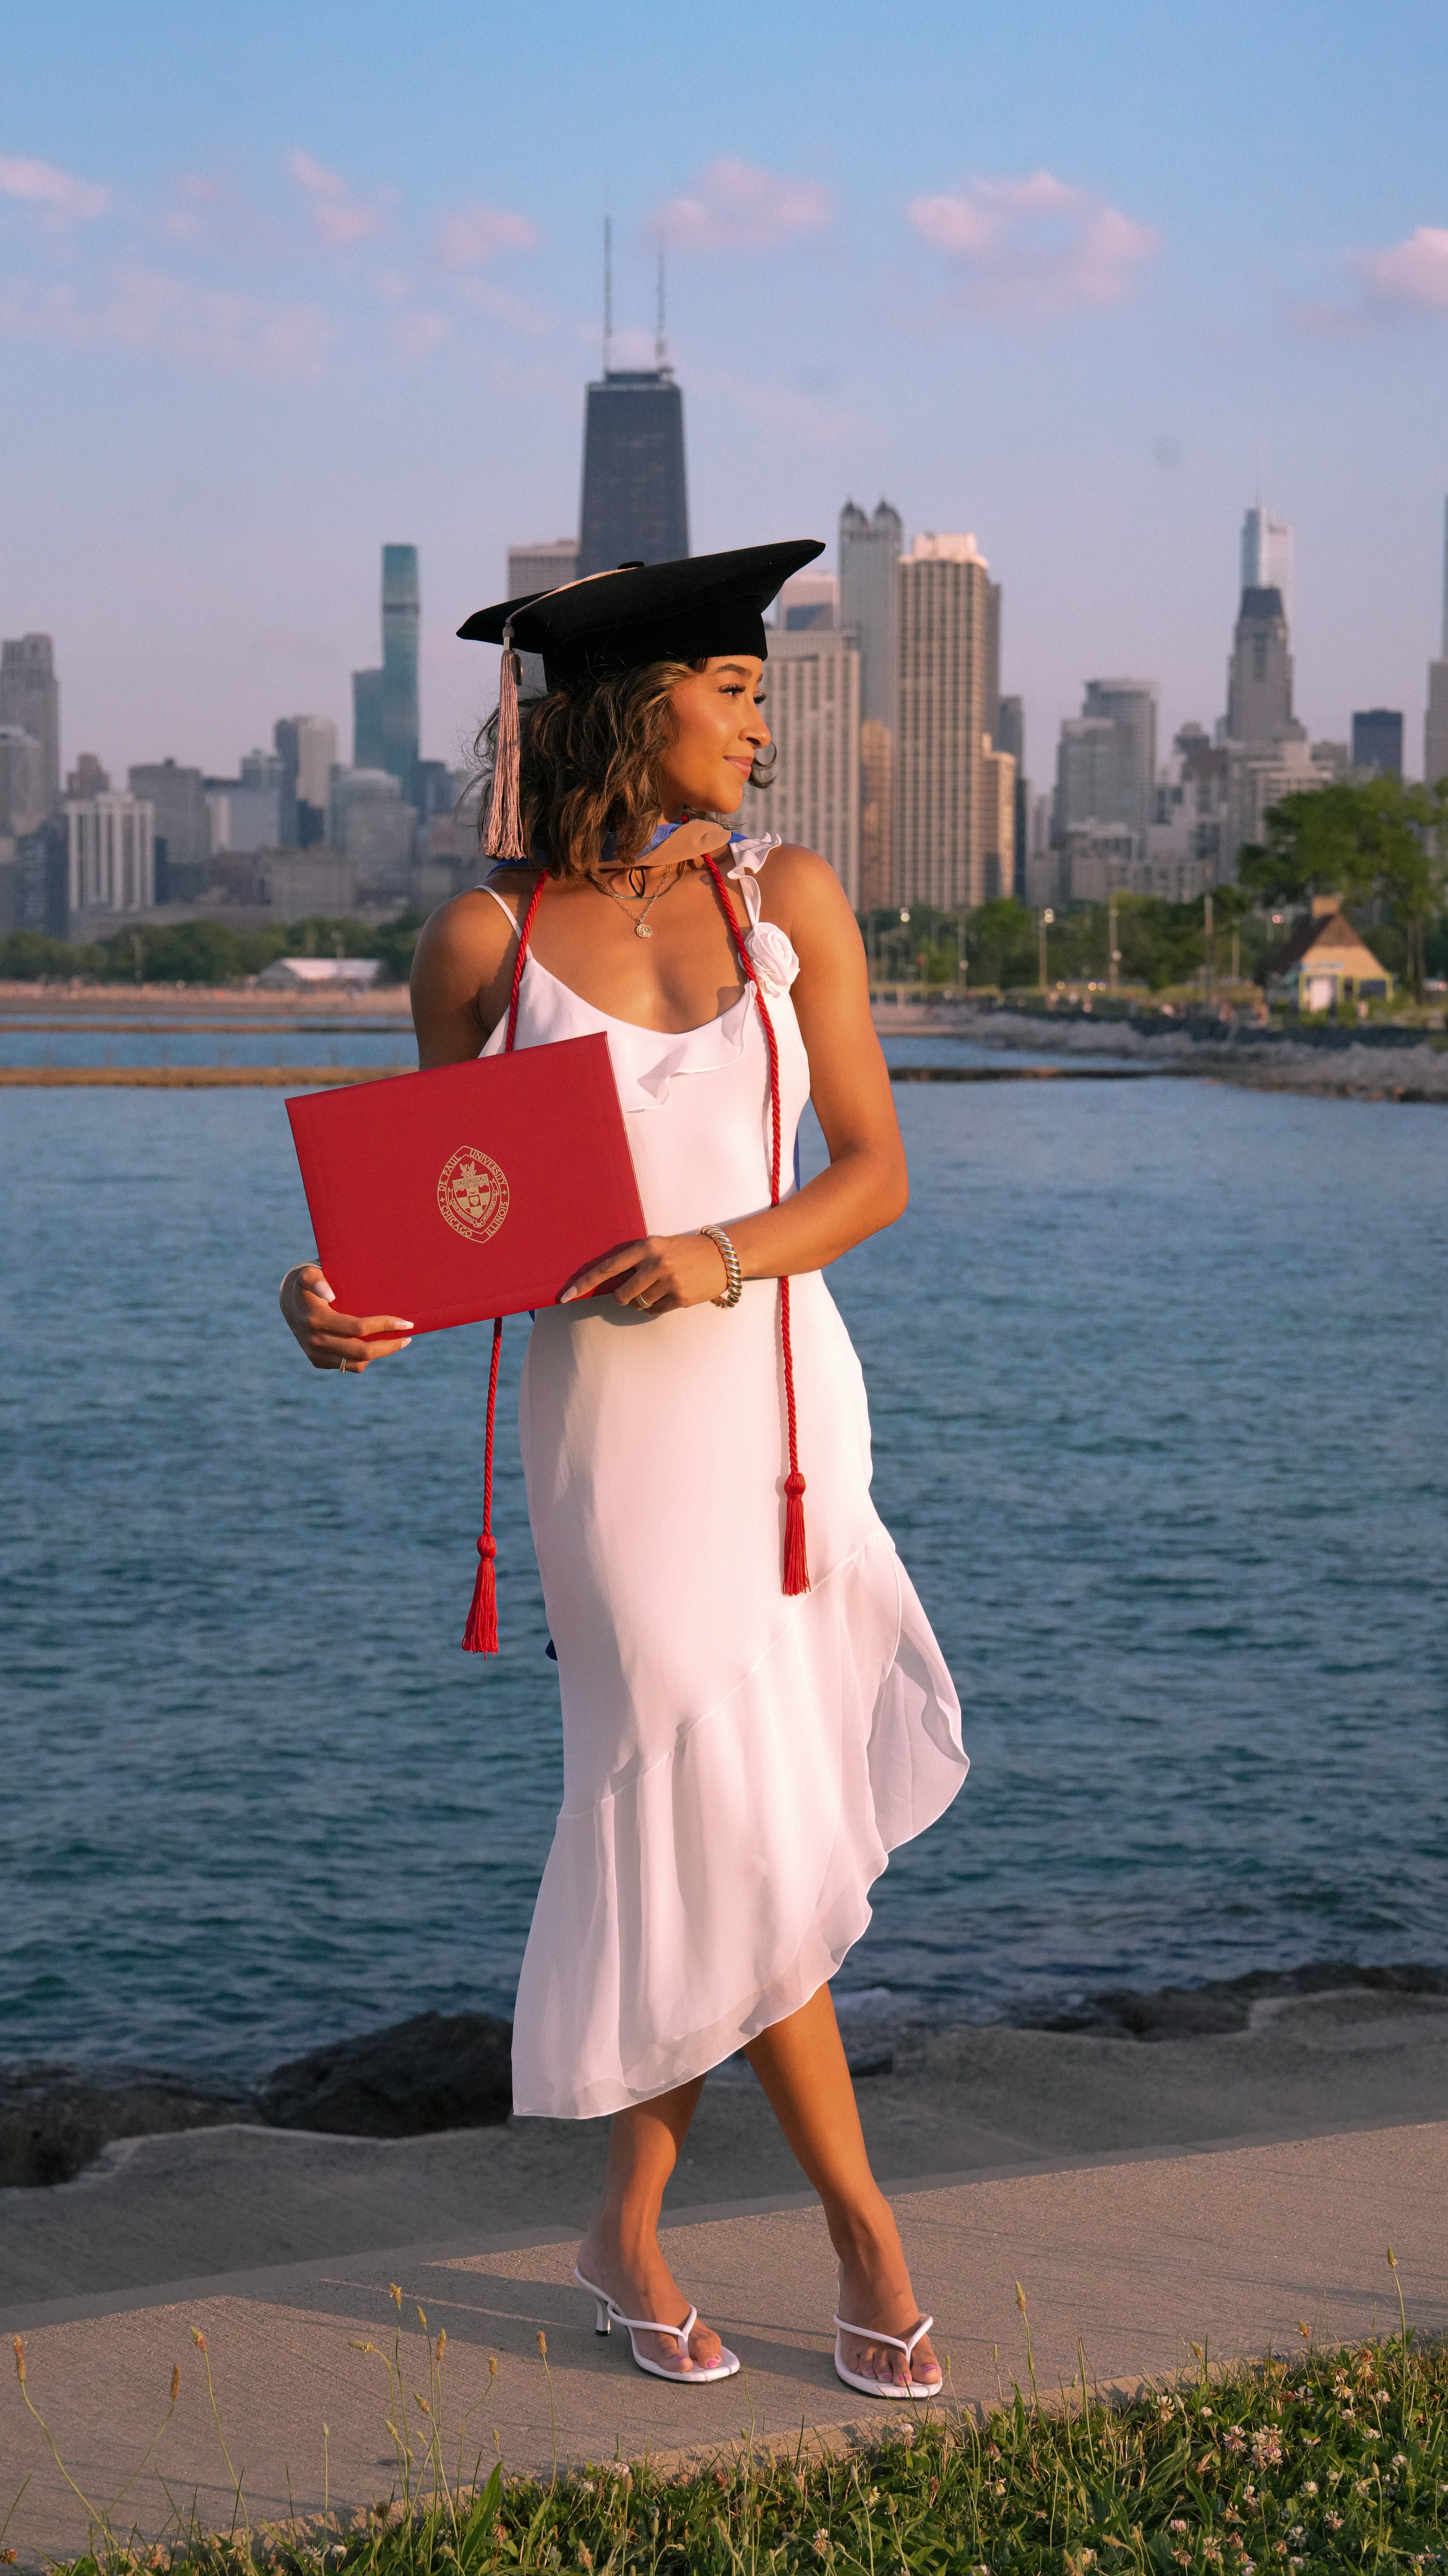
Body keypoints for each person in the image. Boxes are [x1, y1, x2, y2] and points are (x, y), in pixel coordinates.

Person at [279, 543, 969, 2397]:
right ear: (629, 703)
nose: (762, 722)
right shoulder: (483, 948)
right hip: (616, 1458)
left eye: (761, 691)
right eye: (733, 689)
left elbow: (874, 1173)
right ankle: (865, 2235)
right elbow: (433, 1246)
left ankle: (625, 2231)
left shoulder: (788, 906)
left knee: (724, 1827)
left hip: (787, 1418)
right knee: (723, 1812)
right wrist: (326, 1305)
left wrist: (719, 1255)